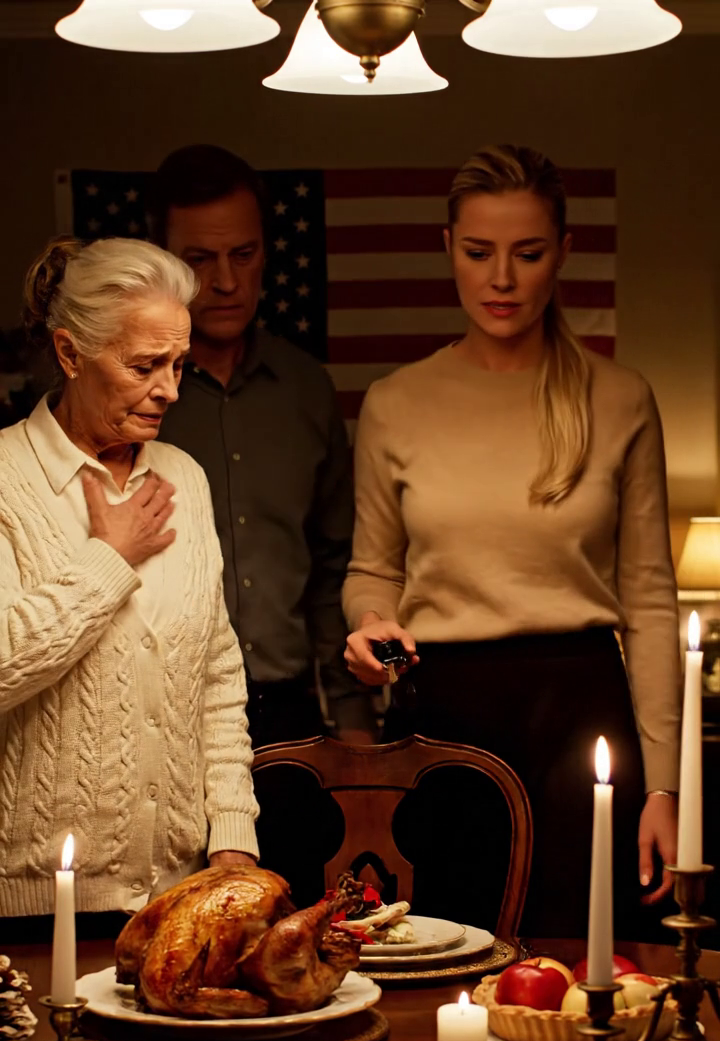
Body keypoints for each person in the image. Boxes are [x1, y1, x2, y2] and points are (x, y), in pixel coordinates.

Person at [343, 144, 681, 941]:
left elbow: (651, 603)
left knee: (585, 971)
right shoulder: (395, 403)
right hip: (445, 722)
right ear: (447, 250)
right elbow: (371, 570)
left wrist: (666, 789)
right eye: (479, 252)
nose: (502, 279)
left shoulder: (622, 398)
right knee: (444, 976)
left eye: (527, 254)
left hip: (583, 720)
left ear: (563, 253)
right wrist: (370, 626)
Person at [0, 236, 259, 926]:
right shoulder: (5, 479)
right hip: (34, 907)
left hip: (176, 896)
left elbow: (216, 673)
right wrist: (107, 561)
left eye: (178, 363)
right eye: (145, 365)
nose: (170, 390)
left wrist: (233, 832)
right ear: (70, 353)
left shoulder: (183, 477)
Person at [149, 145, 376, 748]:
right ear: (164, 264)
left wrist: (354, 722)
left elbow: (334, 565)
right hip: (159, 716)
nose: (225, 281)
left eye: (243, 255)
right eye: (200, 260)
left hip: (290, 714)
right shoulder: (128, 395)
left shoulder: (305, 388)